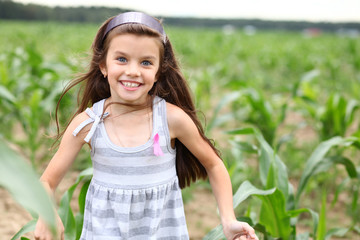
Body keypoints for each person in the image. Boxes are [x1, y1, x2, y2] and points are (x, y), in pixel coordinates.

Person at [34, 11, 258, 240]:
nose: (133, 71)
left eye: (146, 62)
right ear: (103, 65)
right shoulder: (88, 124)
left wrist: (228, 220)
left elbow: (214, 164)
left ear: (158, 71)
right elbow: (47, 182)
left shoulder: (171, 119)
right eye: (121, 59)